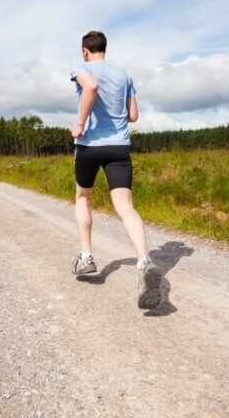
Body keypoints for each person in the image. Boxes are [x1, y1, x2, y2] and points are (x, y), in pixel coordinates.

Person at [69, 30, 161, 309]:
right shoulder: (124, 74)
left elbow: (91, 87)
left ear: (85, 51)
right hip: (119, 146)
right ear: (104, 49)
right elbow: (133, 115)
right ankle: (144, 261)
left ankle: (86, 257)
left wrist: (81, 124)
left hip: (89, 146)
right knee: (125, 205)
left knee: (83, 197)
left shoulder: (81, 68)